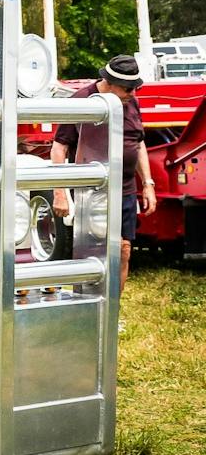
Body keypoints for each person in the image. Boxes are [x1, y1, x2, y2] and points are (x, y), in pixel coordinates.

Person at [51, 54, 155, 290]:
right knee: (93, 253)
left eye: (136, 88)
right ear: (108, 82)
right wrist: (60, 193)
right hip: (93, 193)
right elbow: (59, 148)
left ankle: (112, 310)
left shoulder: (130, 102)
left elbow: (138, 144)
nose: (133, 94)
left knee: (124, 250)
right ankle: (87, 302)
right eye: (128, 88)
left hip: (126, 190)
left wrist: (148, 183)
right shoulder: (82, 101)